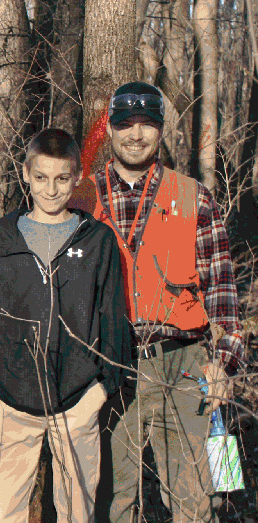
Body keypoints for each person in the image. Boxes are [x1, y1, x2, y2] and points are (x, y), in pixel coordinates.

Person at [89, 82, 246, 523]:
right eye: (125, 124)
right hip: (109, 365)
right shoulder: (83, 198)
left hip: (185, 364)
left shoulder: (194, 196)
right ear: (110, 129)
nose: (135, 135)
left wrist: (224, 362)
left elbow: (222, 290)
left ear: (160, 130)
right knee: (112, 502)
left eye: (146, 124)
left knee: (198, 501)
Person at [0, 129, 130, 522]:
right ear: (26, 174)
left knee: (77, 513)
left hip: (77, 400)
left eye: (61, 178)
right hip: (10, 402)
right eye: (41, 177)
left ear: (77, 177)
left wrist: (101, 389)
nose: (51, 189)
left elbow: (114, 319)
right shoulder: (0, 238)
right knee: (2, 514)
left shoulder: (98, 240)